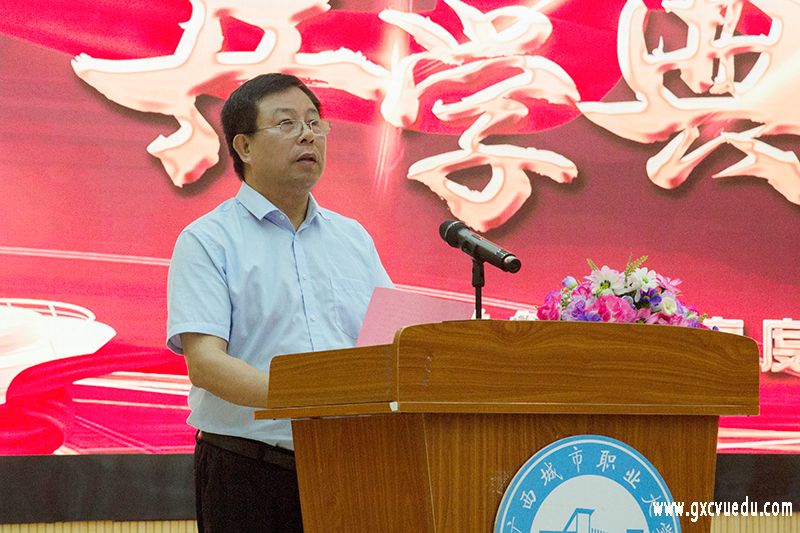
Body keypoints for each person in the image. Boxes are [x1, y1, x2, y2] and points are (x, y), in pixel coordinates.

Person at [166, 73, 392, 532]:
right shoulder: (208, 240)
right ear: (244, 147)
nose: (308, 135)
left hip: (352, 463)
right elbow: (206, 363)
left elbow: (389, 343)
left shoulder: (353, 238)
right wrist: (306, 395)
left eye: (314, 123)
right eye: (287, 123)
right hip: (250, 472)